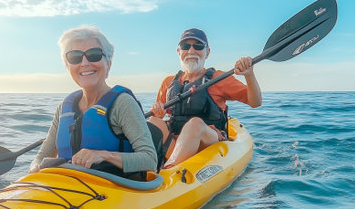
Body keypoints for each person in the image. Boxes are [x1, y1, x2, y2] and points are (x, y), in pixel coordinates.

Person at [30, 25, 157, 177]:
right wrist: (35, 167)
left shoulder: (123, 104)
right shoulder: (64, 108)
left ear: (108, 64)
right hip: (66, 189)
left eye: (94, 54)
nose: (84, 63)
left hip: (115, 191)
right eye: (75, 57)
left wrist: (103, 155)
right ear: (68, 66)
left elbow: (150, 159)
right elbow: (41, 156)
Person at [150, 28, 262, 167]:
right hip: (175, 146)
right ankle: (142, 165)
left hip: (208, 142)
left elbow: (255, 102)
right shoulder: (169, 82)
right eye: (185, 46)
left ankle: (169, 168)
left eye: (198, 46)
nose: (191, 51)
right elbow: (158, 116)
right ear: (179, 51)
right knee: (153, 121)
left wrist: (249, 75)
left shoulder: (218, 78)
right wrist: (157, 110)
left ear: (207, 52)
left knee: (194, 124)